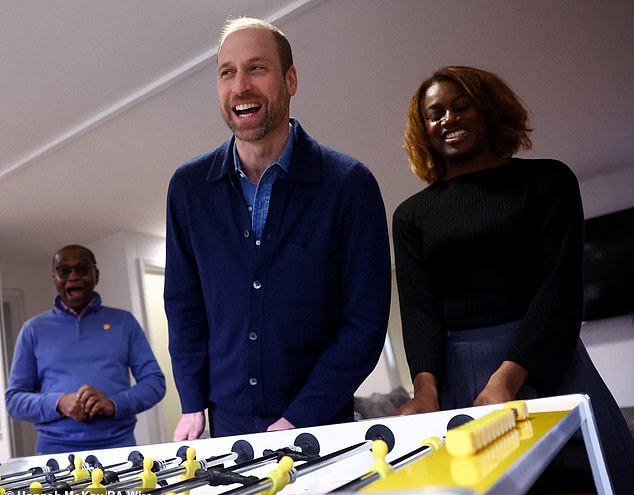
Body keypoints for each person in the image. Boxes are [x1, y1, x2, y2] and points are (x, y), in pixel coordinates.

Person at [392, 65, 634, 495]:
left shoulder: (547, 181)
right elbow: (419, 309)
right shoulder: (410, 216)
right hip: (456, 377)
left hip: (546, 361)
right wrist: (425, 391)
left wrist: (507, 379)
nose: (448, 118)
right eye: (435, 113)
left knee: (589, 488)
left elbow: (559, 288)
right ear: (423, 130)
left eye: (461, 106)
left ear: (487, 109)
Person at [164, 17, 391, 440]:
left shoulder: (350, 185)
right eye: (226, 72)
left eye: (257, 68)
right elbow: (183, 307)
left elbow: (364, 323)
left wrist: (300, 417)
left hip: (321, 427)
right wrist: (192, 402)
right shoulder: (187, 189)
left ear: (290, 80)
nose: (240, 86)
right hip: (226, 432)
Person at [5, 244, 166, 454]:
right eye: (64, 271)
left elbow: (154, 383)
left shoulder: (124, 322)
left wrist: (114, 403)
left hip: (118, 450)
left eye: (82, 269)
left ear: (96, 275)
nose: (73, 277)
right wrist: (59, 402)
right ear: (54, 278)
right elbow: (14, 400)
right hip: (55, 455)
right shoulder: (33, 330)